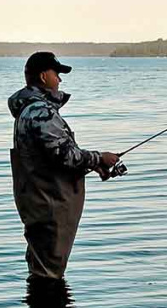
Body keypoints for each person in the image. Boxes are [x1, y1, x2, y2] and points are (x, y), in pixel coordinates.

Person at [8, 52, 119, 280]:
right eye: (56, 74)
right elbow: (65, 155)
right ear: (43, 76)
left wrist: (91, 166)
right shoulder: (40, 112)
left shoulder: (30, 111)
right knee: (48, 277)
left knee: (42, 272)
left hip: (40, 203)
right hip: (49, 206)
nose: (59, 80)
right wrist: (100, 159)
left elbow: (50, 158)